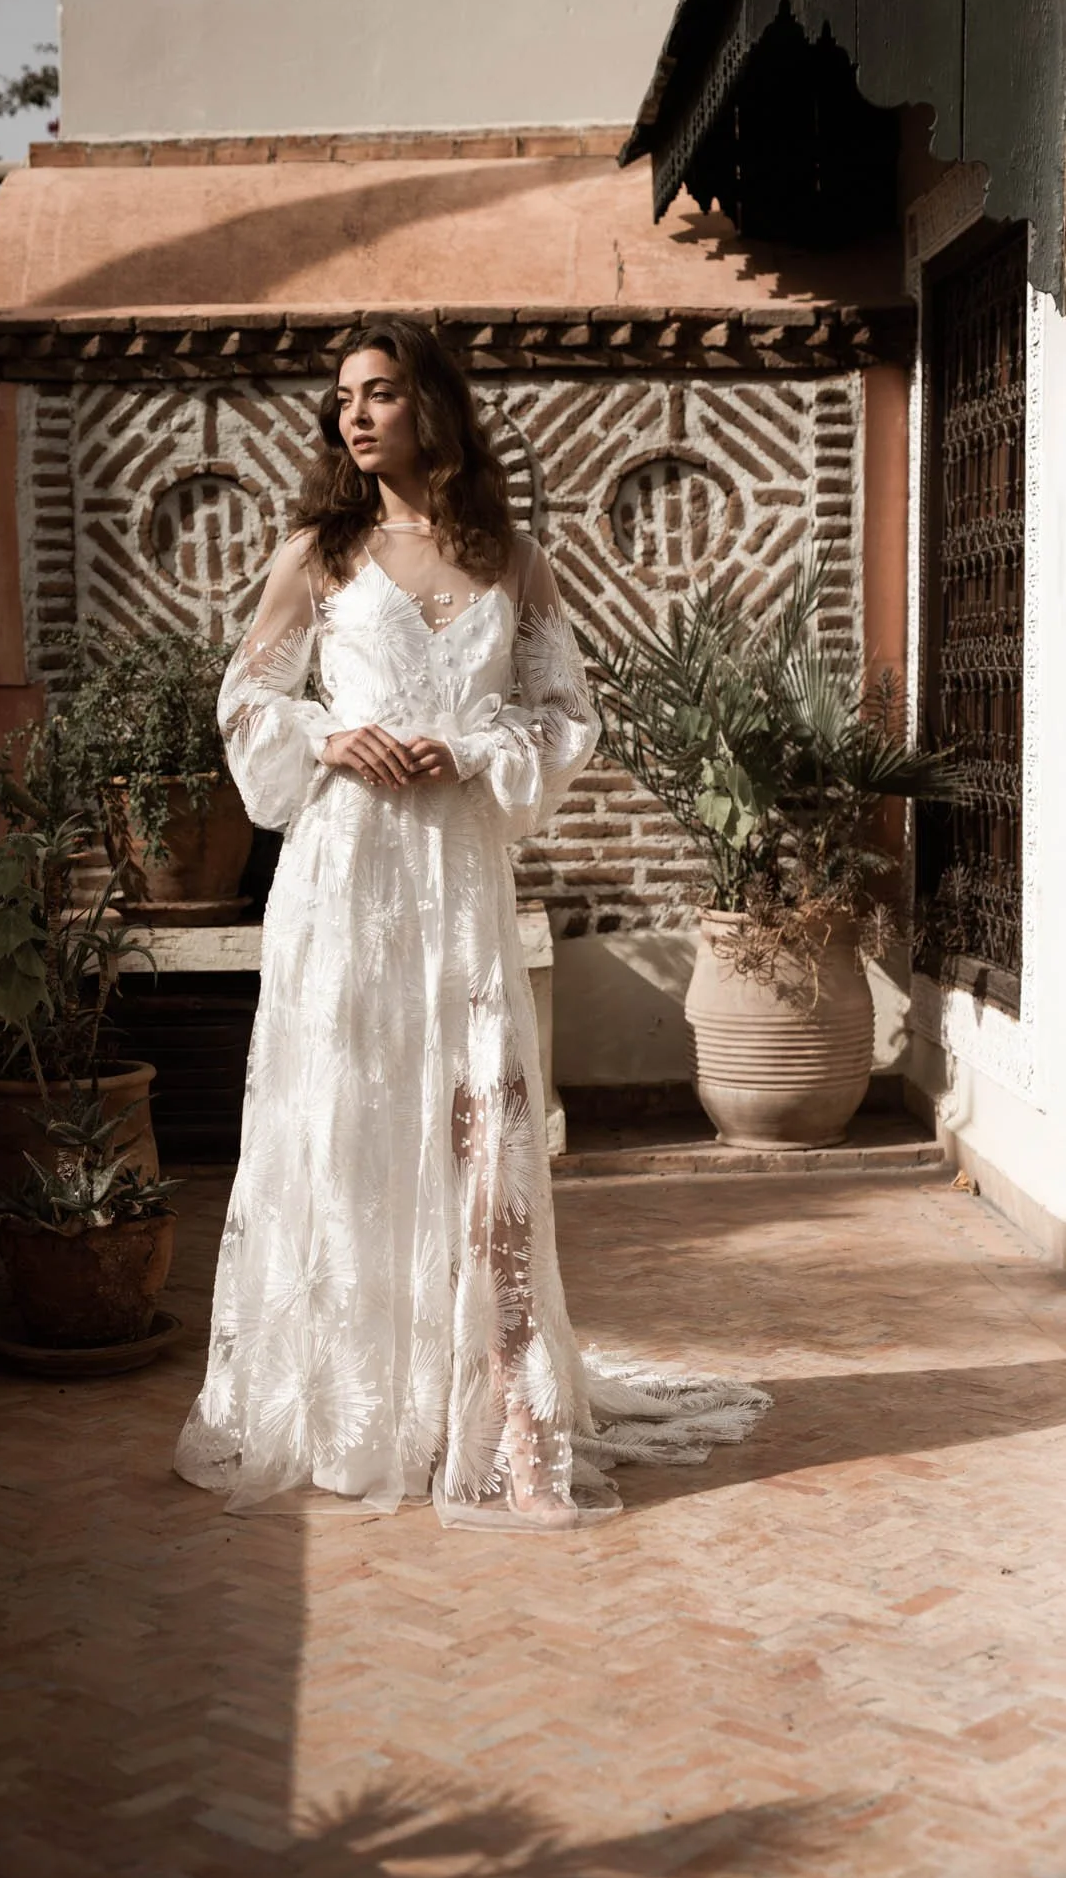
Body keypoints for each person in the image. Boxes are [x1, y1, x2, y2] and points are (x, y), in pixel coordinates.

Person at [173, 319, 767, 1530]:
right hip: (344, 870)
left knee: (478, 1121)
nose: (354, 414)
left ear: (432, 405)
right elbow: (245, 700)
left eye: (380, 392)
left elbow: (562, 716)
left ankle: (507, 1411)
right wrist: (330, 735)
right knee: (347, 1111)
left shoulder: (513, 561)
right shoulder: (318, 554)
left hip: (453, 871)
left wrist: (471, 746)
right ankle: (354, 1406)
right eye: (344, 396)